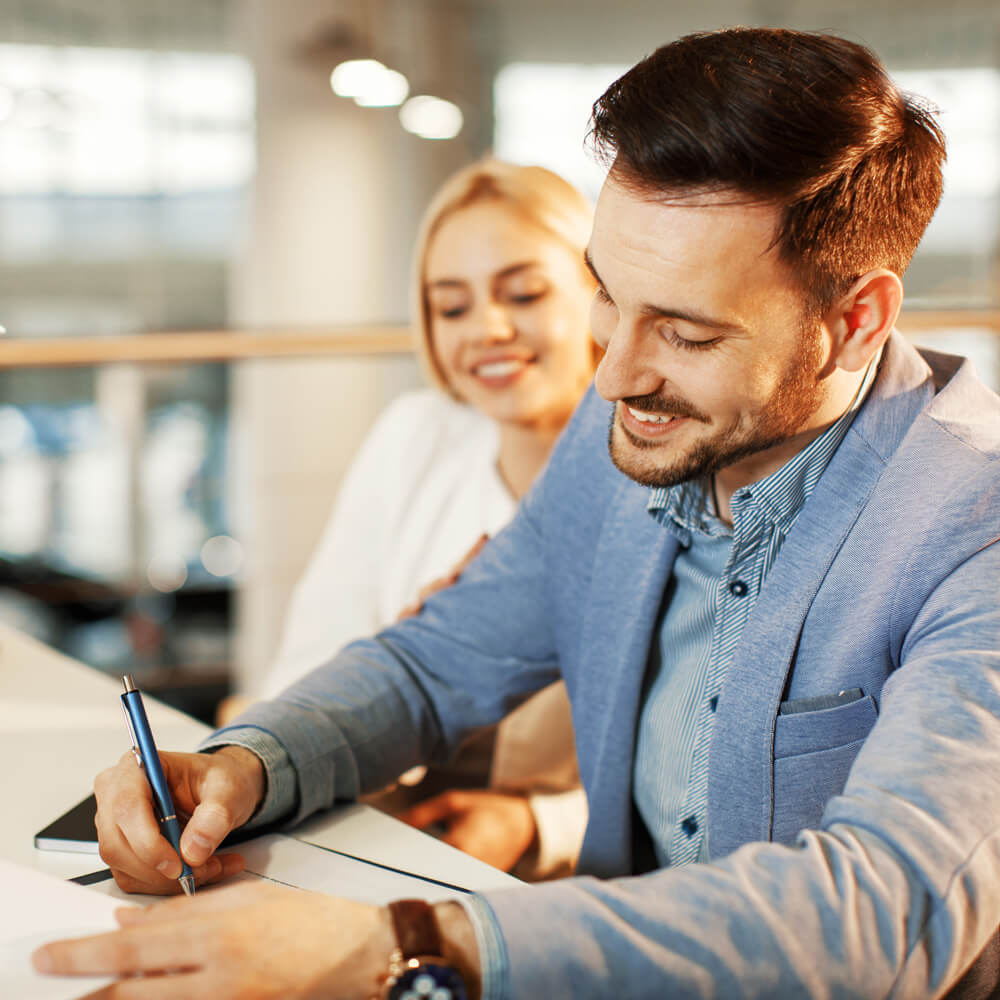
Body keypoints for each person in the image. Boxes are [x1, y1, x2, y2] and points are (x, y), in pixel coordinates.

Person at [36, 26, 1000, 1000]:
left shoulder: (976, 527)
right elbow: (439, 658)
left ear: (857, 321)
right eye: (605, 296)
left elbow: (884, 911)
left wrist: (407, 946)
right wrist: (250, 761)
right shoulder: (634, 420)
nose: (614, 374)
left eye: (687, 332)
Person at [217, 158, 596, 878]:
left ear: (598, 291)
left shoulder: (658, 465)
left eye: (523, 293)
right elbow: (311, 663)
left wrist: (538, 824)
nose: (487, 328)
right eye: (451, 307)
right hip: (384, 838)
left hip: (578, 882)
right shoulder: (416, 436)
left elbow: (692, 763)